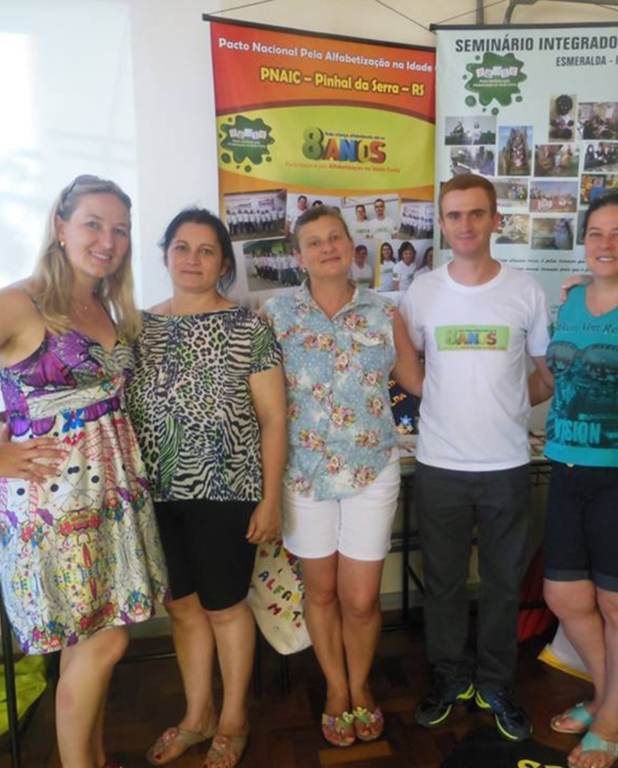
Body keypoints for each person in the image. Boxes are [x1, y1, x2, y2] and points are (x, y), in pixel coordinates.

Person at [0, 174, 169, 768]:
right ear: (60, 226)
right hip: (55, 505)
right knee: (107, 640)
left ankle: (88, 758)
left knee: (90, 645)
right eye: (94, 223)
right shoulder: (20, 303)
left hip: (109, 493)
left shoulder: (102, 305)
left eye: (120, 229)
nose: (108, 239)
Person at [128, 208, 286, 768]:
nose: (191, 259)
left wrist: (270, 500)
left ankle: (234, 717)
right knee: (183, 608)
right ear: (165, 253)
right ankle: (197, 716)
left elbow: (273, 419)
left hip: (228, 490)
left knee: (224, 607)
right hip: (157, 494)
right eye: (181, 247)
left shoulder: (248, 326)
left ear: (223, 262)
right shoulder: (136, 327)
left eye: (205, 250)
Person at [262, 206, 422, 748]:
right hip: (303, 475)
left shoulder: (383, 311)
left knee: (361, 599)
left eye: (335, 237)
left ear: (352, 245)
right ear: (298, 255)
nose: (327, 247)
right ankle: (336, 690)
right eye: (314, 241)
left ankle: (361, 684)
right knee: (322, 592)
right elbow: (259, 397)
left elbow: (417, 380)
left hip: (371, 469)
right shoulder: (275, 313)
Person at [399, 174, 551, 742]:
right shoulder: (422, 293)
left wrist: (508, 408)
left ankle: (495, 682)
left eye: (477, 214)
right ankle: (449, 678)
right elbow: (409, 370)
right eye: (455, 215)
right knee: (441, 582)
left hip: (507, 465)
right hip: (440, 464)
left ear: (495, 220)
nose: (465, 225)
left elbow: (543, 377)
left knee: (501, 583)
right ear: (442, 222)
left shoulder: (525, 292)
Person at [529, 189, 618, 768]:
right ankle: (615, 694)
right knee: (563, 594)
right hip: (565, 466)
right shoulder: (574, 301)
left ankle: (613, 718)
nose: (605, 245)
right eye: (596, 234)